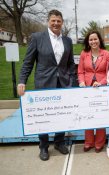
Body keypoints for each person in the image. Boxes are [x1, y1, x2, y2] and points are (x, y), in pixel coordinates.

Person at [17, 10, 75, 161]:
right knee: (44, 116)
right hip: (44, 83)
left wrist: (73, 82)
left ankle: (59, 142)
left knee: (62, 114)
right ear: (48, 22)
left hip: (63, 82)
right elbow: (28, 62)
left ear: (62, 22)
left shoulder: (68, 41)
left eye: (59, 21)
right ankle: (43, 146)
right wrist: (22, 80)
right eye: (53, 21)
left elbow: (70, 64)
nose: (56, 23)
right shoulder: (37, 38)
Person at [78, 31, 109, 153]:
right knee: (87, 115)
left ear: (99, 40)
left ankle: (99, 143)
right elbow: (80, 71)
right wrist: (81, 82)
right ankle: (88, 142)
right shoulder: (84, 54)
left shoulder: (107, 54)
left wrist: (102, 82)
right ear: (88, 41)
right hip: (86, 89)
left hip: (101, 89)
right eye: (91, 40)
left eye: (95, 39)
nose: (93, 42)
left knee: (100, 115)